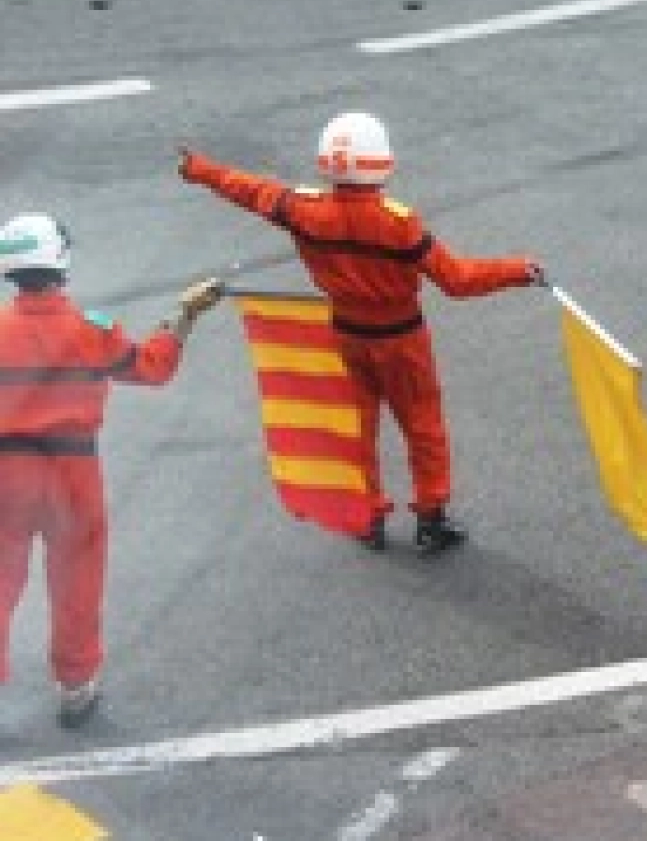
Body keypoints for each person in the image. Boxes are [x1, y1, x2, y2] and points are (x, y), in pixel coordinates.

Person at [179, 112, 544, 553]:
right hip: (403, 341)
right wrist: (518, 270)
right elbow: (458, 280)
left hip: (347, 336)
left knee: (357, 429)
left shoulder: (303, 209)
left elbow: (250, 191)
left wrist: (201, 170)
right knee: (423, 428)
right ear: (381, 162)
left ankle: (367, 517)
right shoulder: (397, 223)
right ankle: (431, 518)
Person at [0, 212, 222, 727]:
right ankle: (76, 687)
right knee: (76, 577)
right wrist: (183, 317)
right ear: (59, 260)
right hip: (72, 471)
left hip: (5, 471)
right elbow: (152, 367)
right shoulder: (90, 330)